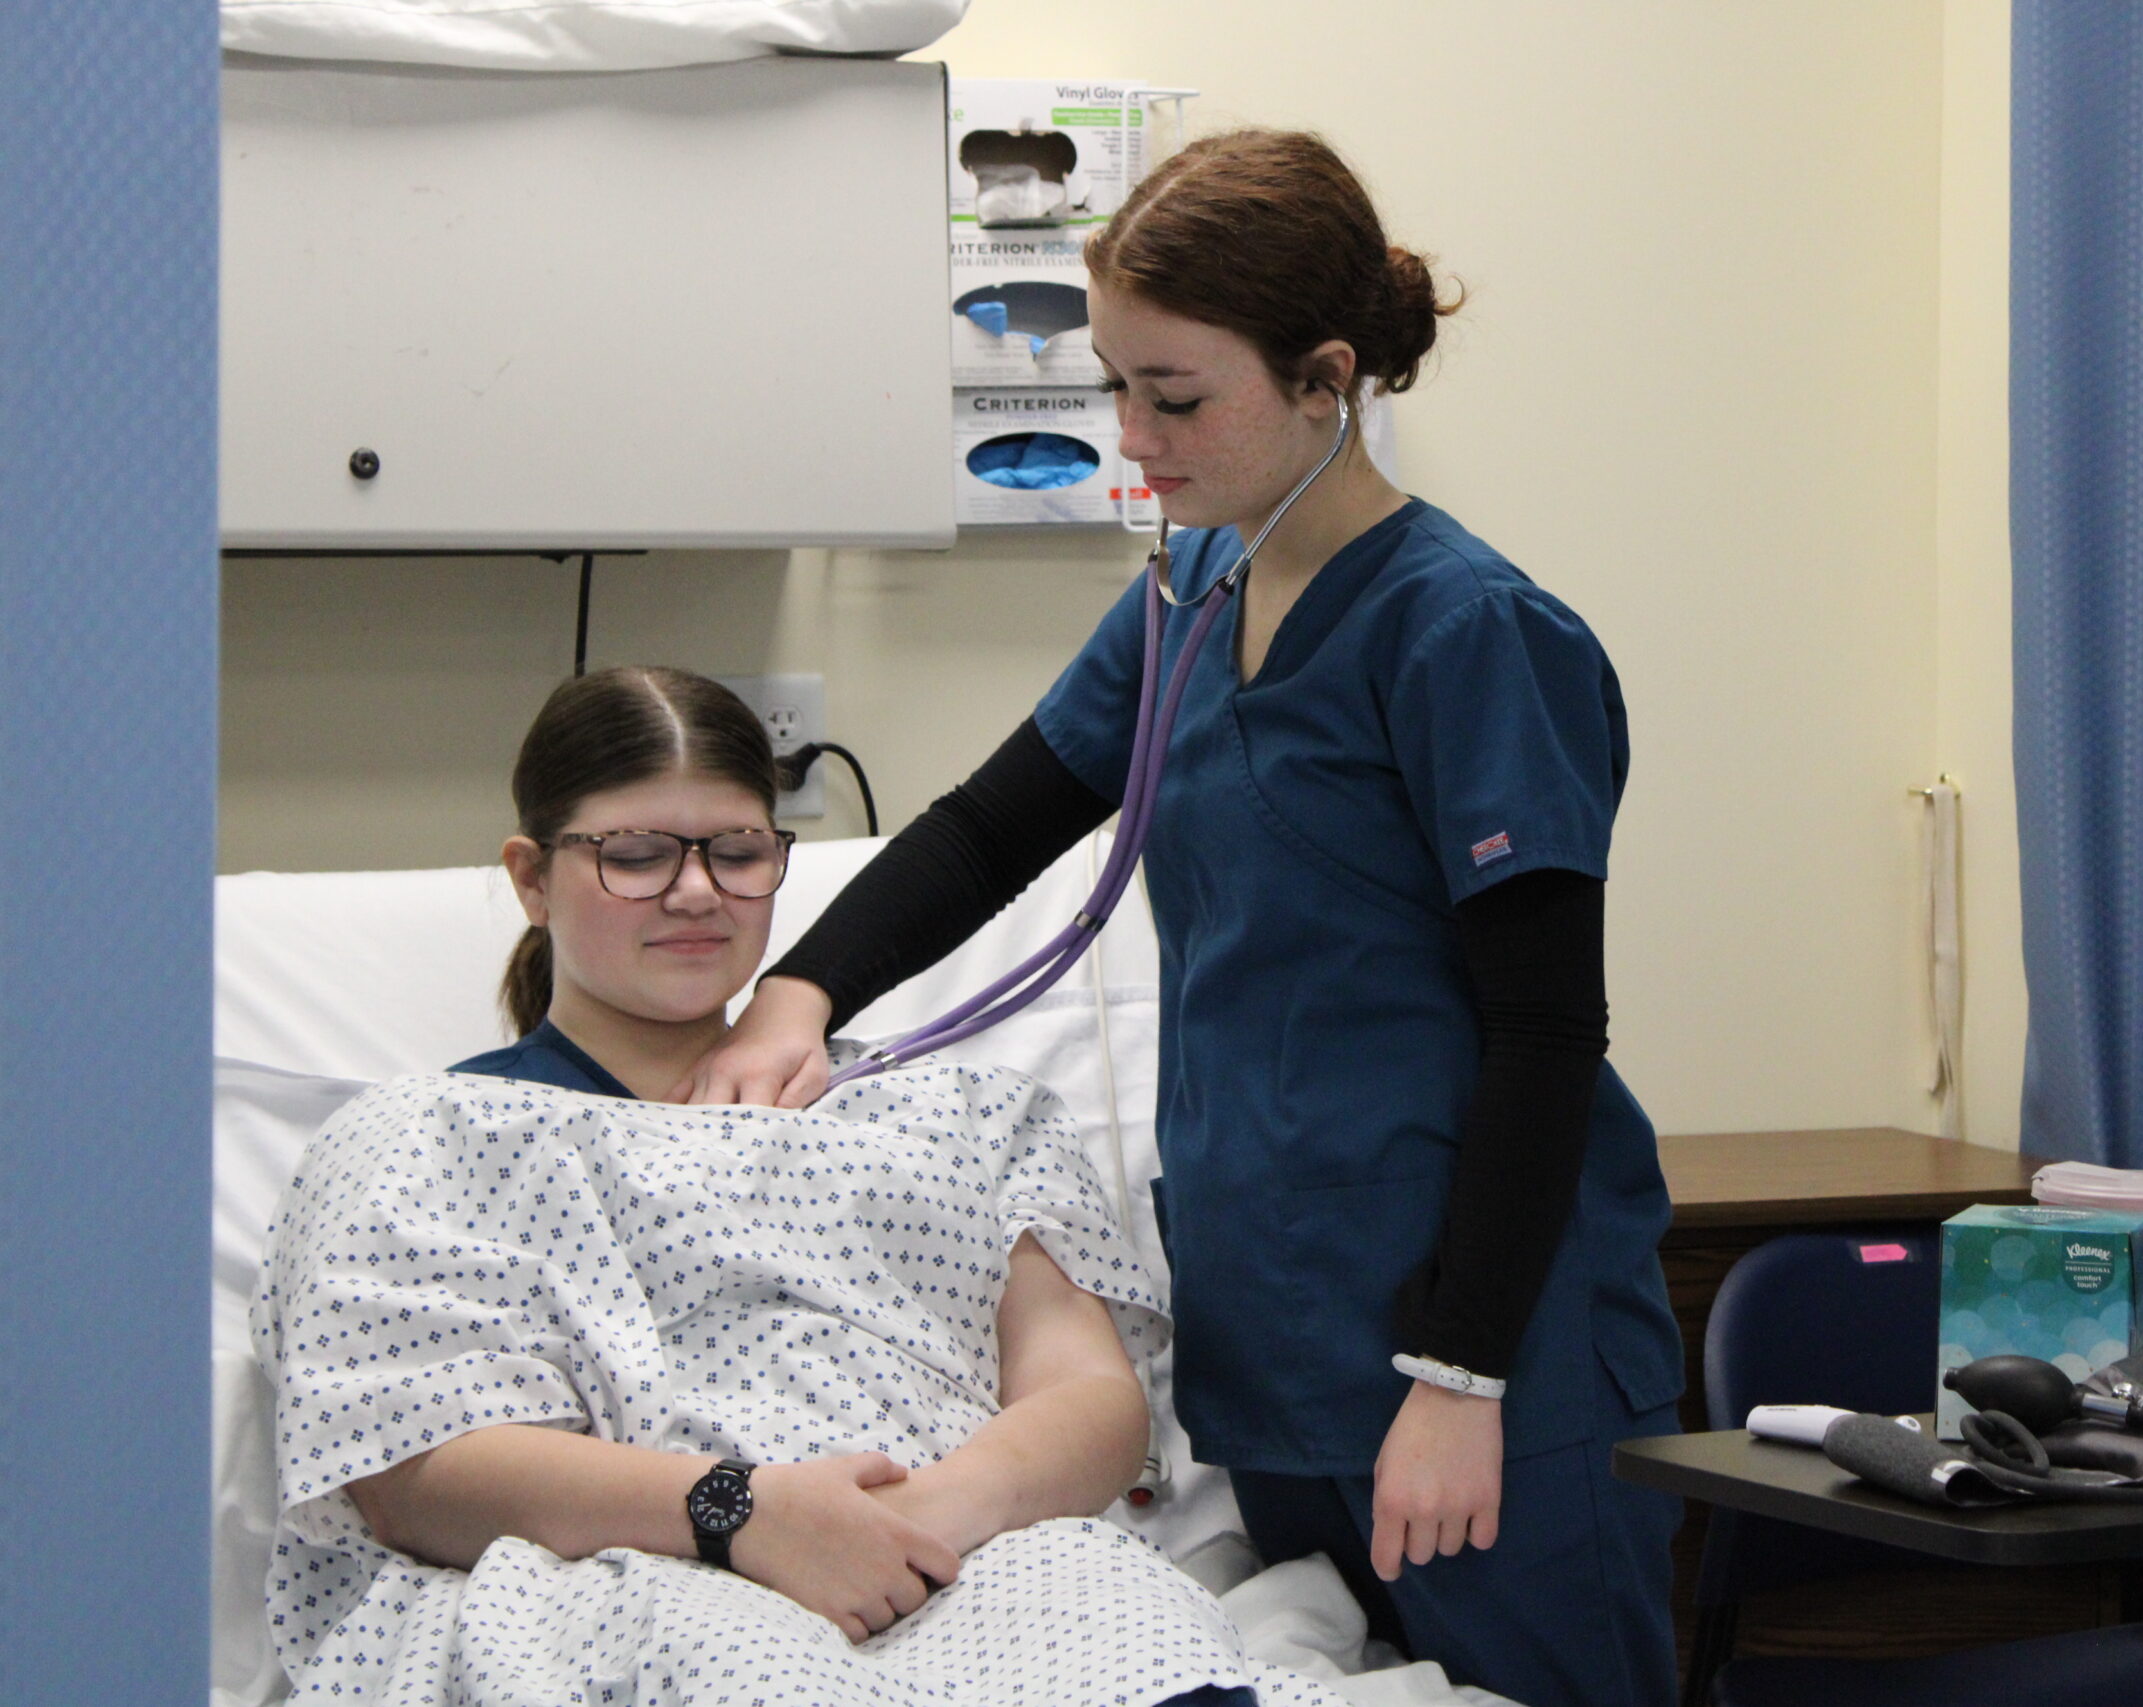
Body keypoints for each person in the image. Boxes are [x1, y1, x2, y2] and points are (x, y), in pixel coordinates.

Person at [684, 132, 1687, 1707]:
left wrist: (1460, 1373)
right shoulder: (1191, 592)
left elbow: (1550, 1026)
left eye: (1177, 393)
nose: (1135, 437)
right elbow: (994, 822)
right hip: (1281, 1337)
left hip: (1484, 1354)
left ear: (1325, 376)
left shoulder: (1469, 631)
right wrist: (800, 987)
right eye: (1116, 386)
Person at [252, 666, 1322, 1707]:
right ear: (530, 877)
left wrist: (912, 1529)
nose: (694, 892)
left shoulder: (946, 1113)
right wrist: (744, 1514)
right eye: (632, 856)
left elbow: (1089, 1398)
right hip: (625, 1576)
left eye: (737, 851)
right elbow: (405, 1474)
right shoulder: (421, 1140)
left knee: (1127, 1626)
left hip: (973, 1560)